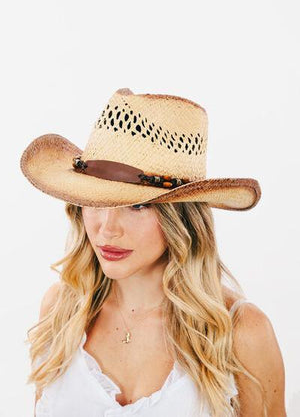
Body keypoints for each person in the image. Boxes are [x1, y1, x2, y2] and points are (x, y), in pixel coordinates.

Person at [20, 88, 286, 416]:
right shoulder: (61, 311)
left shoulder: (241, 332)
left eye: (138, 206)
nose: (107, 228)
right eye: (95, 202)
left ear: (181, 218)